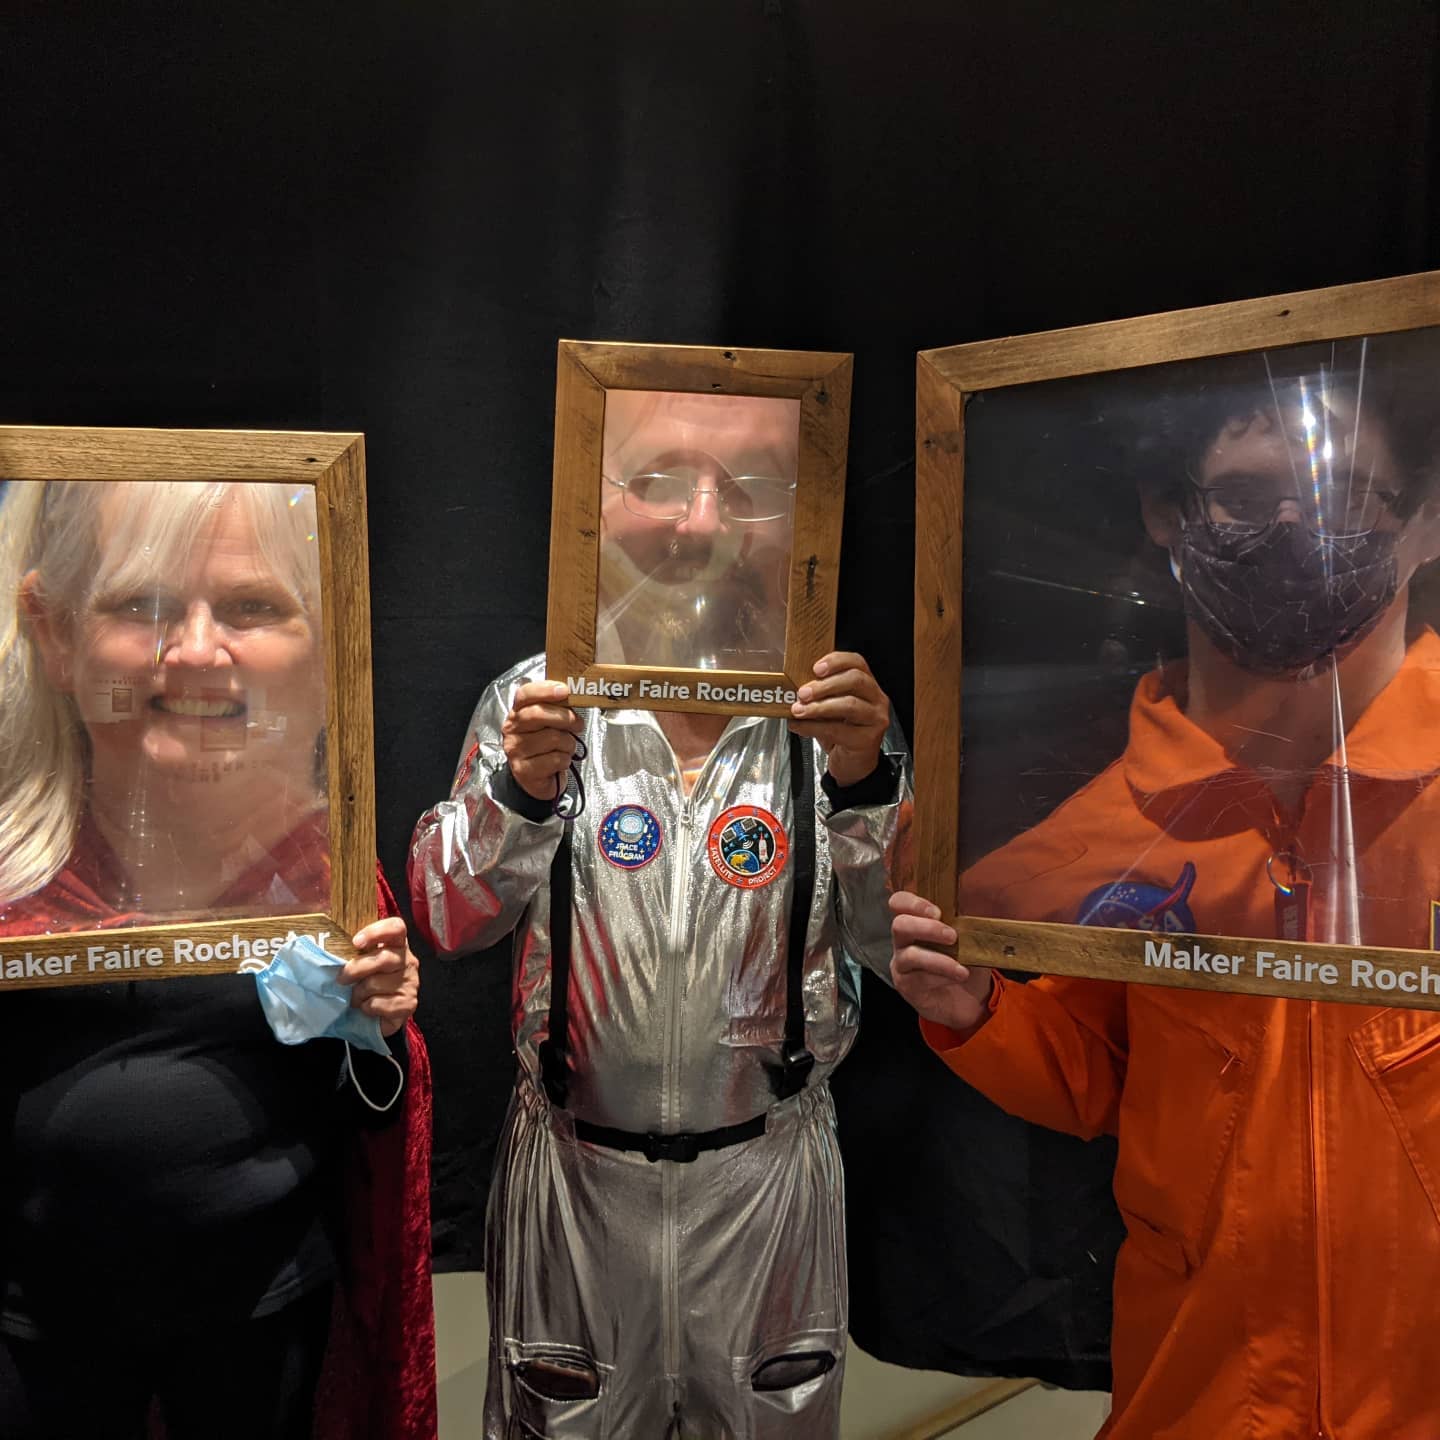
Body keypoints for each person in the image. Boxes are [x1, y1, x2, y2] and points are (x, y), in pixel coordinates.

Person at [891, 339, 1440, 1439]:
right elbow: (1096, 1080)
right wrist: (978, 1012)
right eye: (1246, 495)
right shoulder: (1046, 859)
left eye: (1344, 499)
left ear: (1425, 522)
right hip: (1200, 1392)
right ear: (1164, 510)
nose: (1292, 530)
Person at [410, 389, 909, 1439]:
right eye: (661, 481)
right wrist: (519, 796)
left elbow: (899, 945)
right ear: (599, 505)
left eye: (750, 491)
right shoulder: (538, 704)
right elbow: (450, 921)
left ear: (799, 515)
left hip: (766, 1180)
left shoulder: (829, 718)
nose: (702, 521)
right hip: (579, 1178)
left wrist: (867, 788)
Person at [0, 479, 435, 1439]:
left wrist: (378, 1032)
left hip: (259, 1318)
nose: (197, 650)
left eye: (250, 606)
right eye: (140, 604)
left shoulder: (317, 875)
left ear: (322, 641)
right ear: (55, 628)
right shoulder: (10, 878)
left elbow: (362, 1114)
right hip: (35, 1332)